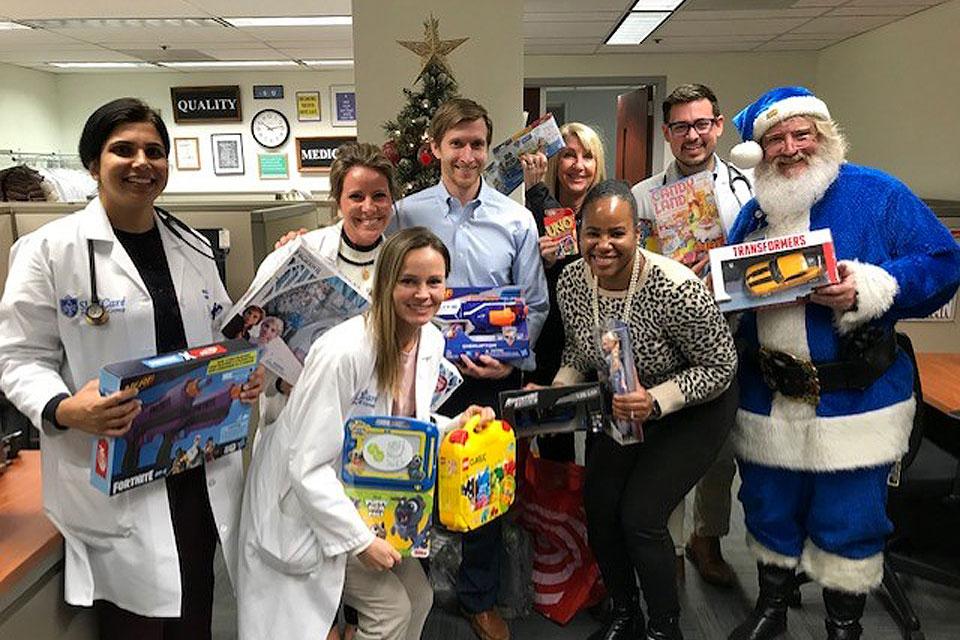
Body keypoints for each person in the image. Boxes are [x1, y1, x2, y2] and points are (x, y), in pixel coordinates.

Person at [0, 97, 263, 639]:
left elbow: (218, 340)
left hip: (193, 461)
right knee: (134, 623)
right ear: (93, 163)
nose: (142, 162)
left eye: (155, 151)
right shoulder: (48, 250)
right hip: (116, 466)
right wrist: (66, 408)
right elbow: (20, 356)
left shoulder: (192, 244)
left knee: (196, 607)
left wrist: (244, 375)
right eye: (123, 150)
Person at [723, 86, 960, 640]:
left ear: (824, 136)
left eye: (800, 134)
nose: (789, 149)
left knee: (848, 516)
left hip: (856, 399)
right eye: (775, 139)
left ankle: (842, 625)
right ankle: (772, 610)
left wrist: (868, 287)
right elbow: (732, 292)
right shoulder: (756, 213)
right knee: (768, 507)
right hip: (769, 397)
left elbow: (944, 261)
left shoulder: (878, 194)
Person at [237, 227, 494, 640]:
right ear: (385, 282)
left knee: (420, 598)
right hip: (312, 505)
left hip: (369, 496)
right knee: (389, 612)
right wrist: (359, 541)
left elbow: (402, 426)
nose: (423, 294)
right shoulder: (344, 351)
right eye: (408, 281)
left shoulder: (428, 340)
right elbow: (307, 466)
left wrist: (455, 425)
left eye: (434, 282)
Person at [390, 97, 549, 640]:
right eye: (456, 143)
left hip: (490, 378)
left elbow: (535, 302)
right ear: (434, 148)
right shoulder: (406, 214)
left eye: (477, 143)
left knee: (483, 488)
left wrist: (506, 360)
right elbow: (384, 286)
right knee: (414, 481)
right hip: (420, 379)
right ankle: (411, 589)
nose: (467, 154)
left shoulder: (516, 219)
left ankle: (480, 597)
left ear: (488, 147)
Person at [551, 179, 738, 640]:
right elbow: (580, 351)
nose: (604, 244)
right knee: (599, 506)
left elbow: (721, 365)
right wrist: (555, 392)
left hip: (692, 407)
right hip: (621, 406)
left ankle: (663, 627)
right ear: (578, 233)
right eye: (593, 233)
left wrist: (657, 400)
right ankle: (624, 613)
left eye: (617, 232)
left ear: (638, 232)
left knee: (640, 515)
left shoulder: (675, 285)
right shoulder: (573, 282)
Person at [631, 83, 752, 587]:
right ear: (666, 133)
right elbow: (630, 266)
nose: (692, 135)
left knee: (719, 454)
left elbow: (765, 260)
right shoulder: (641, 195)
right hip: (667, 341)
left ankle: (708, 537)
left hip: (732, 331)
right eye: (681, 126)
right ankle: (672, 548)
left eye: (702, 124)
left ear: (718, 126)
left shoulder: (750, 189)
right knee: (668, 450)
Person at [519, 122, 606, 461]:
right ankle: (557, 511)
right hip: (551, 342)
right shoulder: (530, 214)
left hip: (599, 338)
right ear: (556, 162)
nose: (578, 165)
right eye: (569, 155)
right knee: (554, 440)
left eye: (588, 156)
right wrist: (539, 263)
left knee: (604, 440)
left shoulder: (609, 206)